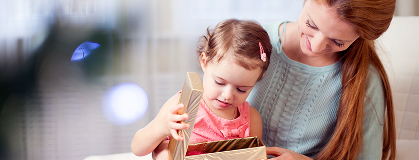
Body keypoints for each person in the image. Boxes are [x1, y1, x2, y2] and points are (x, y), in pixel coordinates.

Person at [246, 0, 396, 159]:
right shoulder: (250, 45)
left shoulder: (365, 79)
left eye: (338, 42)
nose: (315, 47)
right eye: (311, 24)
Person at [131, 19, 272, 157]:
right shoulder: (182, 106)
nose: (228, 95)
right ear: (204, 62)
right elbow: (137, 148)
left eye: (241, 89)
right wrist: (161, 128)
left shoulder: (251, 119)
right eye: (219, 82)